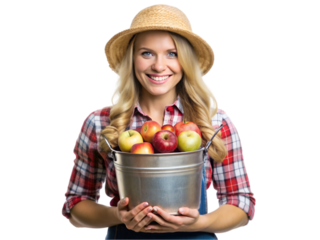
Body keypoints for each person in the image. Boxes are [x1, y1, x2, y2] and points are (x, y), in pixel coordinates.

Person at [60, 3, 257, 240]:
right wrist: (119, 216)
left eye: (172, 53)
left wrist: (199, 223)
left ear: (185, 61)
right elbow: (75, 204)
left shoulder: (214, 121)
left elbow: (242, 201)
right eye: (147, 53)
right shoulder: (100, 122)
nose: (159, 66)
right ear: (132, 59)